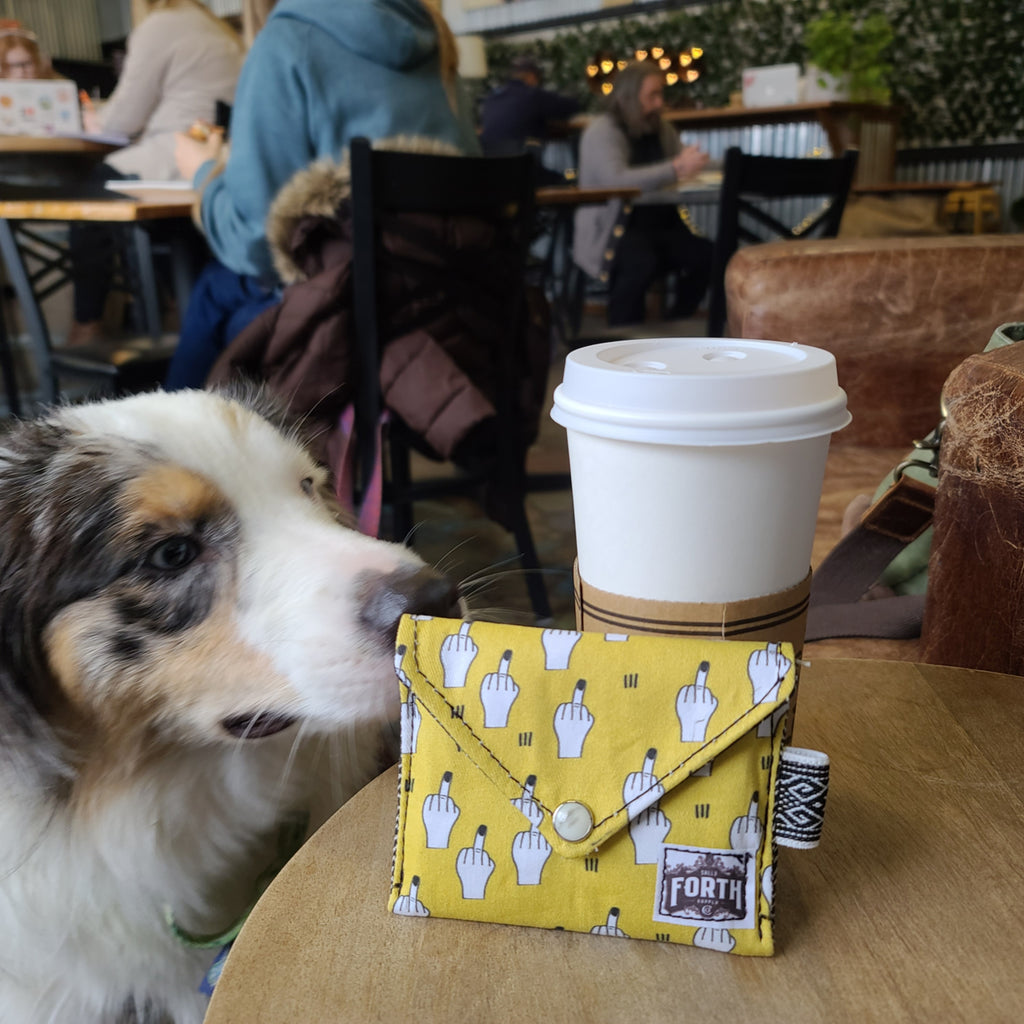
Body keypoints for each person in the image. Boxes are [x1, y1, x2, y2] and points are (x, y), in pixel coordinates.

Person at [166, 0, 479, 390]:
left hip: (352, 316)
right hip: (450, 304)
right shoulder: (434, 36)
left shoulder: (285, 44)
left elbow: (253, 241)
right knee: (220, 295)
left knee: (214, 290)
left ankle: (168, 425)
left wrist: (203, 172)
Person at [69, 0, 244, 345]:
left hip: (180, 156)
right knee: (168, 225)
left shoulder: (161, 25)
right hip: (222, 158)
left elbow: (123, 118)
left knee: (95, 189)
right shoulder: (220, 28)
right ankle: (177, 310)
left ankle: (87, 324)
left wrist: (93, 119)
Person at [573, 61, 713, 326]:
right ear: (629, 96)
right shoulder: (603, 131)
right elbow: (616, 180)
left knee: (709, 256)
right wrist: (674, 169)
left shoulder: (661, 128)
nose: (660, 103)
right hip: (615, 229)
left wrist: (713, 164)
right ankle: (620, 336)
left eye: (661, 94)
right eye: (653, 95)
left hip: (661, 225)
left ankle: (674, 324)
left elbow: (684, 163)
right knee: (639, 261)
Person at [478, 55, 581, 174]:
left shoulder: (491, 98)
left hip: (493, 171)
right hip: (526, 170)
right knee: (565, 161)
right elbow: (571, 107)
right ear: (531, 76)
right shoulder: (533, 95)